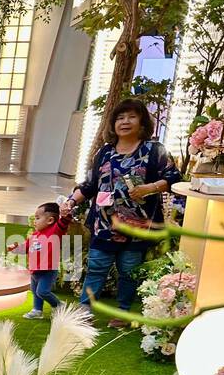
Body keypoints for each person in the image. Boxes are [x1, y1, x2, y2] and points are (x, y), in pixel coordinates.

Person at [65, 97, 182, 327]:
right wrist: (70, 201)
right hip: (105, 224)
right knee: (96, 267)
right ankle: (84, 311)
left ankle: (123, 312)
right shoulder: (104, 152)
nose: (125, 122)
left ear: (142, 122)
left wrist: (150, 187)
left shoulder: (154, 150)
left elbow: (173, 178)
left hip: (139, 225)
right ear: (113, 123)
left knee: (129, 271)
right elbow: (89, 184)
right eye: (120, 117)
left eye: (131, 116)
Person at [7, 202, 71, 321]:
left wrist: (65, 215)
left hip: (48, 270)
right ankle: (37, 310)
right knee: (35, 292)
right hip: (34, 270)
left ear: (50, 220)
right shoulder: (35, 235)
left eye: (37, 218)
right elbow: (25, 247)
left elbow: (63, 223)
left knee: (42, 292)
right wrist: (15, 248)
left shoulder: (55, 231)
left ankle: (59, 306)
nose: (34, 221)